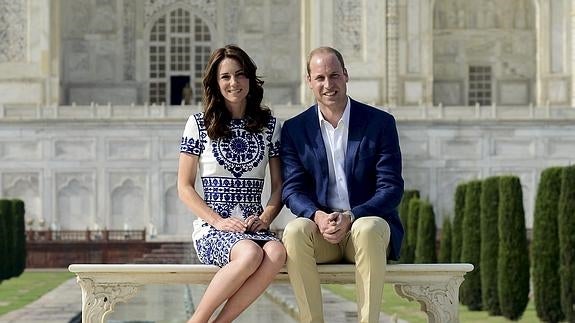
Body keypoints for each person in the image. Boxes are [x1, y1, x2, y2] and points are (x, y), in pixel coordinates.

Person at [280, 46, 404, 323]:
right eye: (320, 78)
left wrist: (351, 216)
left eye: (334, 75)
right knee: (295, 231)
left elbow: (391, 188)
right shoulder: (295, 130)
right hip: (323, 231)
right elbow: (292, 189)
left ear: (346, 76)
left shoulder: (379, 123)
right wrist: (317, 216)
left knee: (368, 226)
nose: (328, 84)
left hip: (365, 230)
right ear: (309, 81)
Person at [178, 44, 286, 323]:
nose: (233, 83)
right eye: (225, 76)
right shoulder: (199, 124)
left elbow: (279, 186)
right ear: (216, 82)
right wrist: (218, 221)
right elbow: (185, 187)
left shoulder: (270, 126)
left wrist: (266, 217)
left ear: (250, 79)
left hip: (252, 226)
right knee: (250, 253)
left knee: (276, 252)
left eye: (239, 75)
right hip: (214, 228)